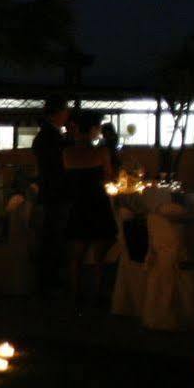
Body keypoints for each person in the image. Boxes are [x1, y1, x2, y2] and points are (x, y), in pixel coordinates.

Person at [62, 112, 120, 301]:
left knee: (75, 256)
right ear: (93, 129)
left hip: (78, 204)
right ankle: (98, 293)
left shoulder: (67, 153)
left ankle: (75, 293)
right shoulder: (101, 152)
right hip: (98, 203)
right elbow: (109, 177)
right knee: (99, 256)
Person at [32, 98, 73, 293]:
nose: (68, 115)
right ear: (56, 113)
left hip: (51, 191)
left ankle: (48, 278)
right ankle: (49, 280)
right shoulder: (50, 136)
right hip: (55, 191)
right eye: (65, 111)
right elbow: (57, 165)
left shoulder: (48, 134)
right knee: (53, 235)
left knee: (52, 234)